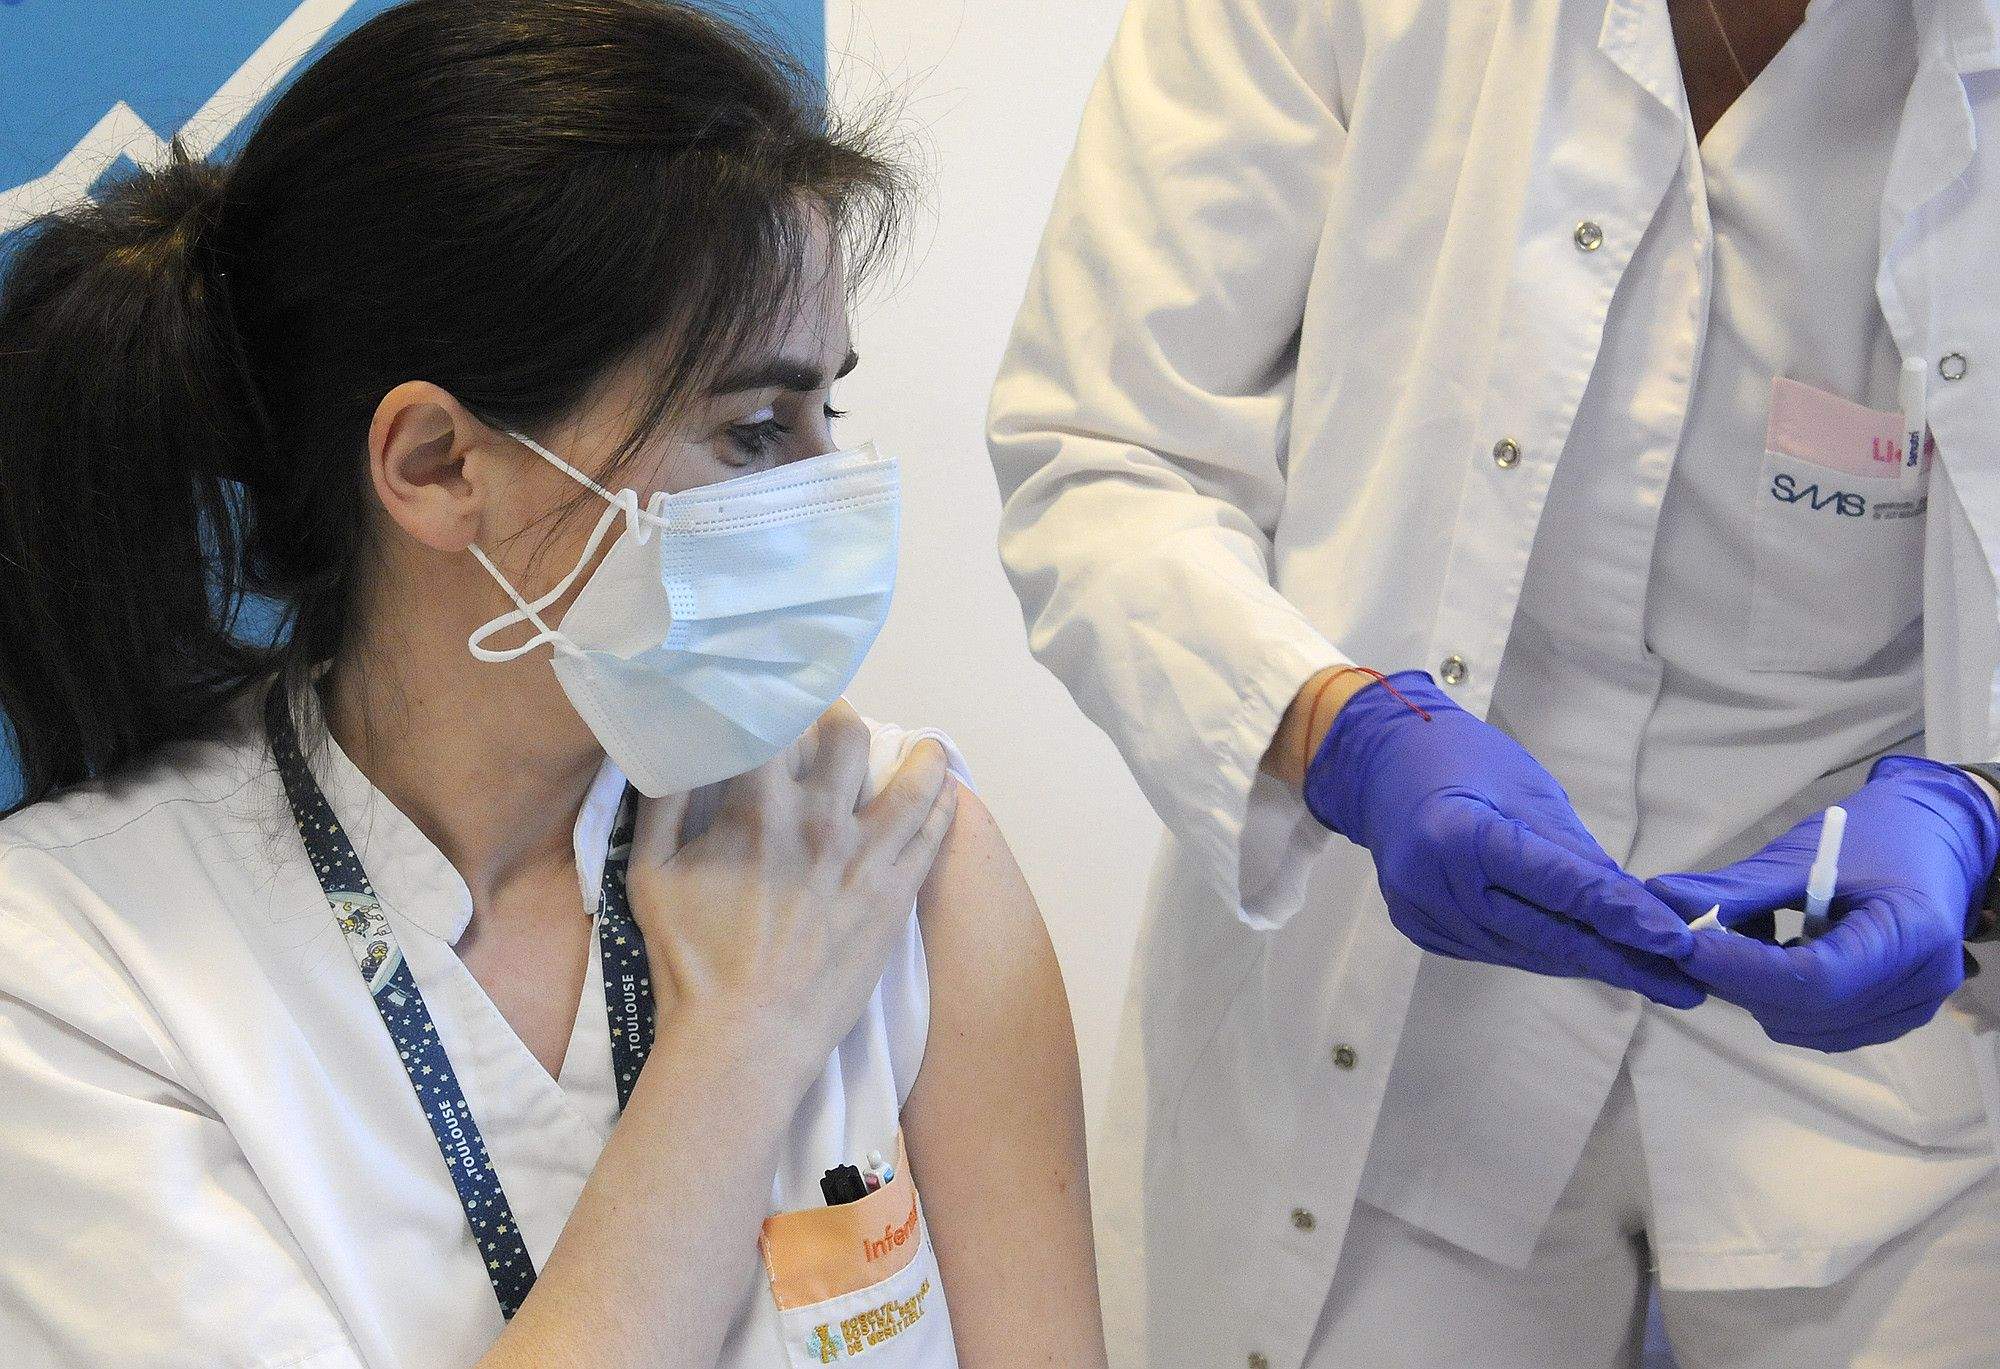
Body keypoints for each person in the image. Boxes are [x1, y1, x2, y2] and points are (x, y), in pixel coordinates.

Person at [0, 3, 1107, 1366]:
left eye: (834, 413)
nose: (831, 494)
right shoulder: (73, 968)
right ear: (436, 466)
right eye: (756, 431)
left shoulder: (900, 848)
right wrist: (736, 1048)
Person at [990, 0, 2000, 1365]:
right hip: (1409, 1002)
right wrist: (1336, 726)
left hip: (1906, 1058)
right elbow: (1107, 447)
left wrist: (1979, 818)